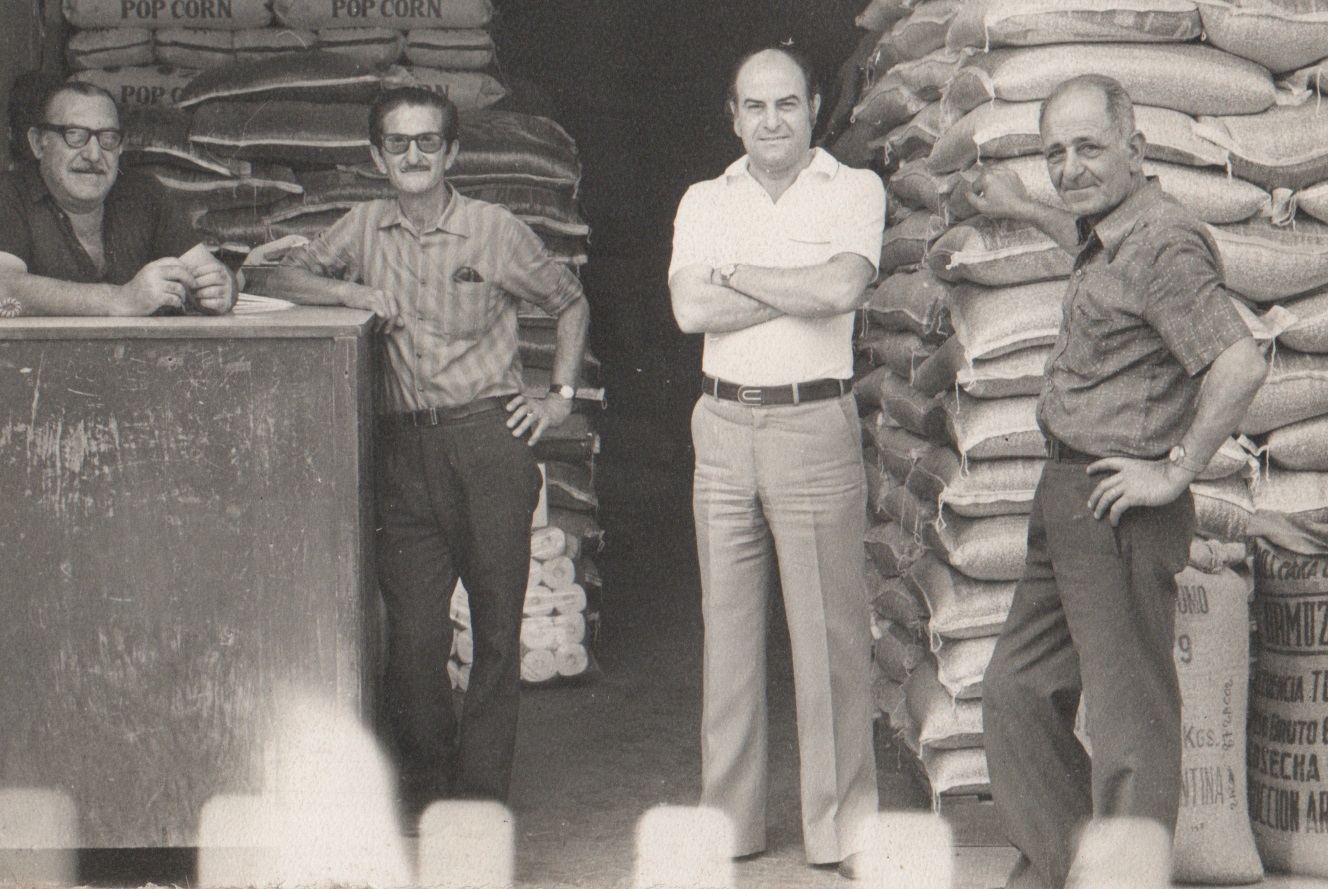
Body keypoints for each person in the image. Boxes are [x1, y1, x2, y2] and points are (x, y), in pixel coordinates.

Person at [252, 86, 590, 821]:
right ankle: (431, 787)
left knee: (496, 631)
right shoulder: (362, 227)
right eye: (397, 143)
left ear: (452, 152)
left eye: (427, 141)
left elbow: (569, 302)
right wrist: (352, 295)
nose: (413, 155)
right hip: (402, 450)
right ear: (377, 157)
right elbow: (270, 277)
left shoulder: (493, 230)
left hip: (487, 440)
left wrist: (558, 397)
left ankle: (479, 801)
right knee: (412, 640)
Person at [965, 75, 1268, 889]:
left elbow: (1239, 363)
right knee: (1015, 689)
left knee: (1129, 721)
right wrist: (1020, 203)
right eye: (1054, 152)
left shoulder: (1164, 244)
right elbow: (1084, 241)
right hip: (1063, 494)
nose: (1069, 167)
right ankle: (1075, 865)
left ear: (1135, 150)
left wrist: (1173, 472)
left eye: (1088, 147)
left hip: (1116, 506)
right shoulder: (1110, 234)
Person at [667, 44, 884, 876]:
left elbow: (841, 290)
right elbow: (690, 310)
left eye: (786, 104)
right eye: (753, 106)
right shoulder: (703, 198)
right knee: (726, 636)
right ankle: (730, 824)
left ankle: (841, 830)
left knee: (829, 638)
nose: (770, 121)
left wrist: (736, 275)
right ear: (732, 117)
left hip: (811, 421)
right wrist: (795, 282)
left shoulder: (852, 189)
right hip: (721, 425)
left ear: (814, 107)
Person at [0, 79, 238, 316]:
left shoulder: (143, 193)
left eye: (108, 138)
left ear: (120, 147)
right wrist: (121, 299)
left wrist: (223, 287)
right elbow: (3, 288)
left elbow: (208, 271)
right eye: (75, 135)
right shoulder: (8, 194)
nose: (94, 155)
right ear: (38, 143)